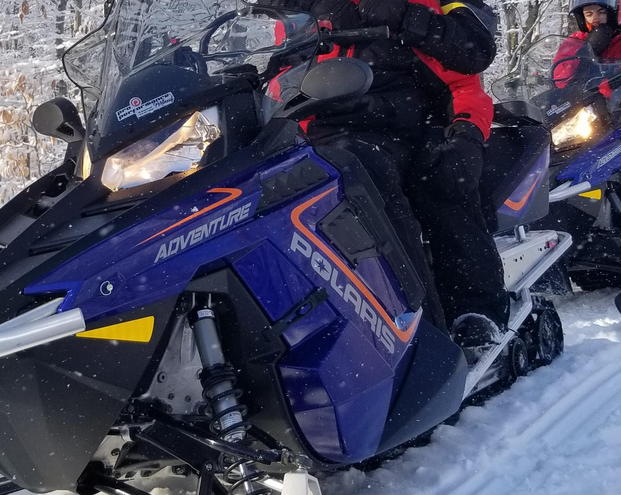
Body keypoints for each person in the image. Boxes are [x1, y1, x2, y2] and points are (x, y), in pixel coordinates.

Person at [262, 0, 509, 348]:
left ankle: (452, 319)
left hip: (408, 126)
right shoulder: (308, 11)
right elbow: (284, 69)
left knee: (438, 180)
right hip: (321, 130)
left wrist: (408, 17)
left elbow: (469, 64)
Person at [553, 0, 621, 89]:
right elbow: (560, 81)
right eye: (589, 14)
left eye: (601, 12)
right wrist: (585, 53)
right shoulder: (573, 42)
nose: (595, 18)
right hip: (582, 99)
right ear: (582, 17)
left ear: (611, 14)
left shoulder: (618, 42)